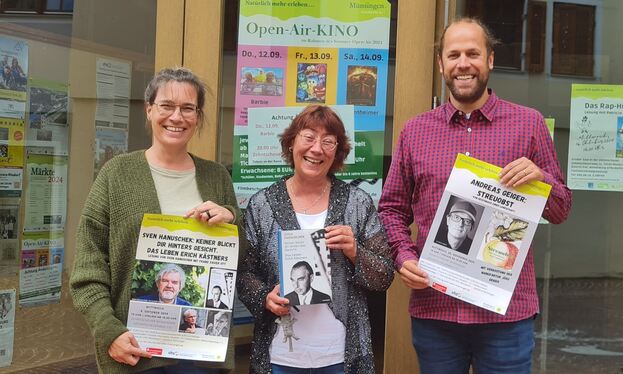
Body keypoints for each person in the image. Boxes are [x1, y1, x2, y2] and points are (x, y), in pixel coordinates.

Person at [378, 18, 572, 374]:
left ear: (490, 60)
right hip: (436, 309)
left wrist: (541, 178)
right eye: (453, 55)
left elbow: (561, 209)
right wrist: (404, 257)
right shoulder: (415, 132)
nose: (463, 63)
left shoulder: (528, 125)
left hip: (506, 315)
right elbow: (390, 209)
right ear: (441, 64)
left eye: (473, 53)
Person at [70, 67, 244, 373]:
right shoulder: (117, 174)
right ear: (149, 110)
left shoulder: (217, 177)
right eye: (167, 106)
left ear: (198, 117)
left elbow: (237, 262)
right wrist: (108, 330)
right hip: (135, 351)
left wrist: (232, 219)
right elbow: (88, 268)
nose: (177, 117)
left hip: (199, 355)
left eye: (188, 108)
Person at [237, 104, 394, 374]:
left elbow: (385, 275)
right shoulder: (262, 203)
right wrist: (264, 297)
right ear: (291, 143)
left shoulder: (357, 203)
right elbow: (245, 272)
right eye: (308, 137)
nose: (316, 148)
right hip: (280, 356)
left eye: (328, 141)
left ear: (338, 152)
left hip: (340, 354)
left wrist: (355, 251)